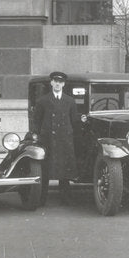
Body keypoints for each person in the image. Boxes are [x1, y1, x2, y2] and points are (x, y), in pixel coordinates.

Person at [31, 71, 82, 203]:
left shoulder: (70, 101)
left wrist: (72, 136)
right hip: (48, 140)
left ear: (64, 84)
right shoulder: (43, 100)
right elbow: (36, 120)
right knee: (46, 169)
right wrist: (37, 134)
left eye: (60, 82)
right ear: (51, 83)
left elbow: (74, 120)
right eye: (55, 81)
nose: (58, 84)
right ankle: (42, 198)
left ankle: (65, 197)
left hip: (65, 139)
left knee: (65, 170)